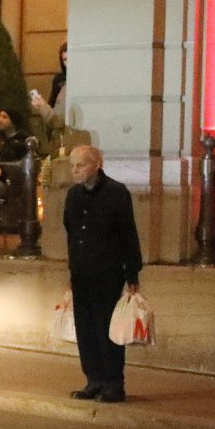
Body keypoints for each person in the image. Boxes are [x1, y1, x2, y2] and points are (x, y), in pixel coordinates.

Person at [65, 145, 142, 403]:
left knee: (107, 329)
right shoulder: (73, 195)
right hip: (82, 271)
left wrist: (132, 272)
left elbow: (128, 233)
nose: (75, 171)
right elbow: (71, 233)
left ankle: (113, 384)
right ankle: (93, 380)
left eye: (80, 165)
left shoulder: (116, 193)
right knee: (85, 329)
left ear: (97, 164)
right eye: (72, 166)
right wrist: (72, 271)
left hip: (107, 271)